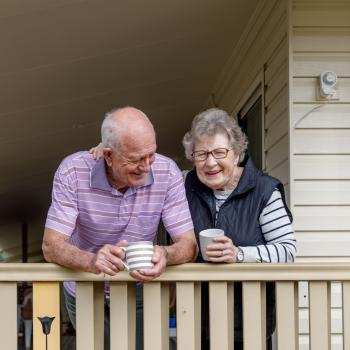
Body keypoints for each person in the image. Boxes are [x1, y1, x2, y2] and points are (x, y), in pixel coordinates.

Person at [42, 106, 198, 350]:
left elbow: (189, 245)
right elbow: (51, 247)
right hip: (84, 286)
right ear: (108, 155)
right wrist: (92, 261)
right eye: (135, 159)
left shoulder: (167, 172)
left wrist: (166, 254)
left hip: (139, 288)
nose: (147, 166)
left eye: (151, 155)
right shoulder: (73, 171)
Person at [182, 108, 296, 349]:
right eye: (201, 154)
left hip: (248, 320)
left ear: (236, 154)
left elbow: (287, 250)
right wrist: (101, 154)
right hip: (195, 318)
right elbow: (148, 172)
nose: (210, 162)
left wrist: (239, 254)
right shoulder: (186, 185)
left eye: (219, 152)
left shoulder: (264, 190)